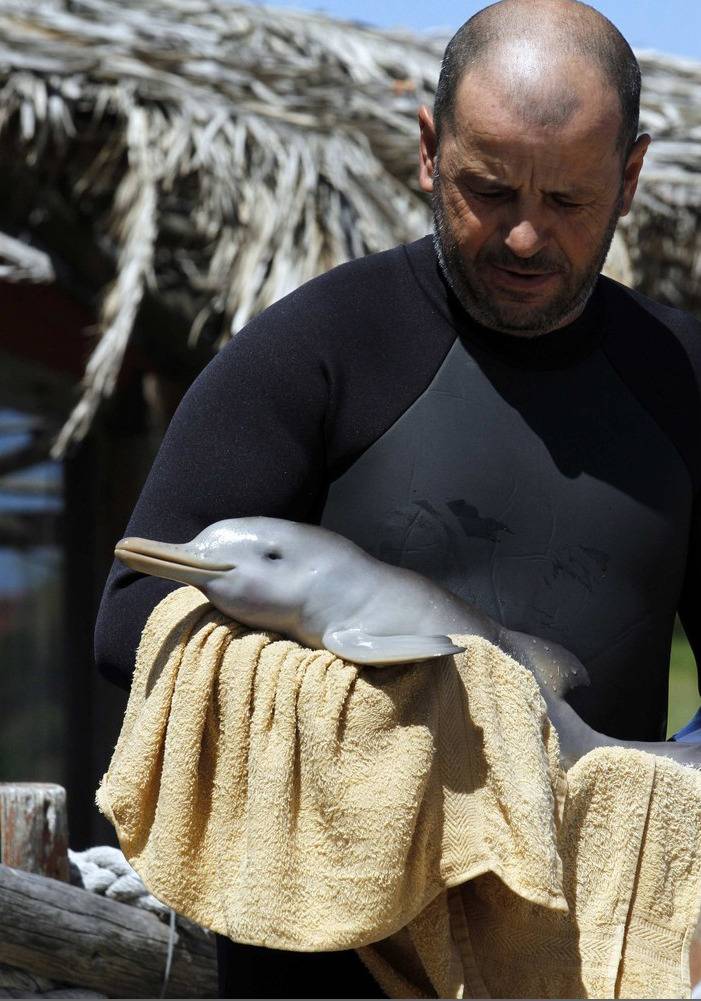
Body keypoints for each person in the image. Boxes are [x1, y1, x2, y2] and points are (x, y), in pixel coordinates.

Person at [94, 0, 701, 996]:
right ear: (428, 149)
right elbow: (127, 623)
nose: (520, 234)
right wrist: (419, 718)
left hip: (573, 962)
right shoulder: (313, 351)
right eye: (487, 188)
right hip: (324, 966)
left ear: (628, 177)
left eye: (567, 200)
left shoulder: (679, 378)